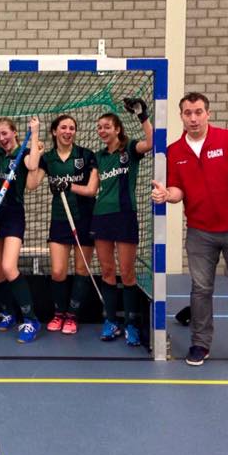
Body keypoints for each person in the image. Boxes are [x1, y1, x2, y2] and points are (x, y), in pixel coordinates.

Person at [151, 92, 228, 370]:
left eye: (198, 112)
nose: (193, 118)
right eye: (188, 113)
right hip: (200, 232)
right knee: (200, 290)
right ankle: (200, 344)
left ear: (208, 114)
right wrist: (167, 195)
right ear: (181, 116)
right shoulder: (175, 151)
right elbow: (178, 190)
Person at [28, 114, 98, 335]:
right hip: (59, 220)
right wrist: (37, 153)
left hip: (84, 218)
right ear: (54, 131)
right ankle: (59, 313)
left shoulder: (86, 155)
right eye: (63, 128)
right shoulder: (48, 158)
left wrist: (68, 185)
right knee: (58, 271)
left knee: (81, 269)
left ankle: (72, 316)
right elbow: (31, 184)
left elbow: (91, 190)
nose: (68, 132)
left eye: (72, 128)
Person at [91, 101, 154, 345]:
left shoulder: (130, 149)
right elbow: (92, 189)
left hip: (125, 216)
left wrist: (142, 116)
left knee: (127, 272)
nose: (102, 130)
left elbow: (152, 142)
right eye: (99, 127)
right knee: (107, 271)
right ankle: (110, 321)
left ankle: (131, 324)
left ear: (117, 129)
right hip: (101, 217)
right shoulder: (99, 157)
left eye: (106, 126)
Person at [0, 116, 43, 343]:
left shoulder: (25, 153)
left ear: (15, 132)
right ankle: (8, 312)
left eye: (5, 133)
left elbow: (33, 166)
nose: (1, 138)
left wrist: (35, 133)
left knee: (9, 267)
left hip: (14, 215)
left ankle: (31, 319)